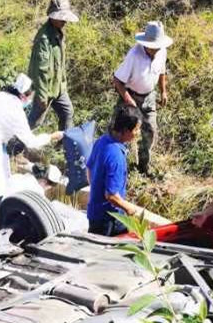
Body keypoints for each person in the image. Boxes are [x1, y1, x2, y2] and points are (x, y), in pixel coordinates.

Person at [0, 73, 63, 197]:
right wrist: (52, 136)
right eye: (31, 97)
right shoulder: (16, 109)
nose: (31, 101)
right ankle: (2, 211)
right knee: (0, 186)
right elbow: (31, 142)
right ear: (23, 96)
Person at [113, 20, 172, 175]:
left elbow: (161, 72)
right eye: (152, 47)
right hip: (130, 96)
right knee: (120, 132)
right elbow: (117, 81)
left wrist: (163, 91)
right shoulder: (134, 55)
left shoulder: (162, 51)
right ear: (145, 43)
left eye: (157, 46)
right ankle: (118, 165)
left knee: (150, 130)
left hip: (149, 97)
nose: (155, 50)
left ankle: (143, 167)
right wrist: (128, 100)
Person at [86, 106, 142, 236]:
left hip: (95, 211)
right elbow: (111, 195)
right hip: (108, 219)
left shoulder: (102, 141)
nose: (138, 133)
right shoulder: (116, 156)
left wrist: (95, 190)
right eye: (136, 129)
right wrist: (130, 208)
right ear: (125, 130)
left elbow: (89, 168)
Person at [28, 0, 78, 131]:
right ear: (52, 16)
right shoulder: (44, 38)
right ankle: (15, 146)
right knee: (35, 122)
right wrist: (42, 96)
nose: (64, 21)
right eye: (61, 18)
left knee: (67, 113)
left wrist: (63, 84)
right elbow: (41, 70)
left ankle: (64, 144)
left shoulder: (58, 32)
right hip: (46, 89)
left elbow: (59, 64)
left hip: (58, 88)